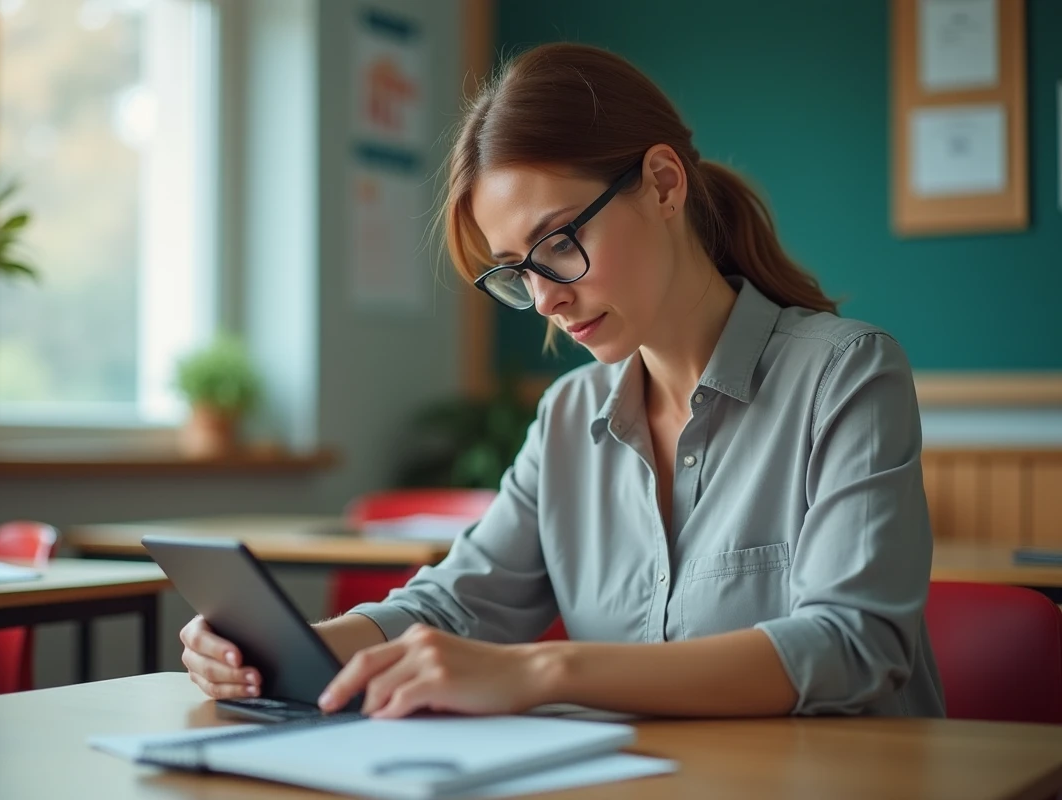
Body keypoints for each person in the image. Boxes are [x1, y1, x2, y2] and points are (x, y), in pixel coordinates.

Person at [180, 42, 945, 719]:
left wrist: (542, 670)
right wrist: (295, 648)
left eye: (558, 242)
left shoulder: (847, 374)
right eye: (515, 271)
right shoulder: (568, 413)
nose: (544, 296)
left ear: (664, 185)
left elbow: (850, 645)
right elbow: (459, 599)